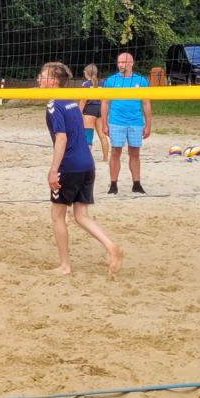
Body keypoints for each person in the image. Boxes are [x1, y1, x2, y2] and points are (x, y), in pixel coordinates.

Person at [40, 61, 122, 276]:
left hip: (69, 167)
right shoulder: (72, 101)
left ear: (53, 81)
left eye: (43, 75)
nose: (39, 78)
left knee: (57, 215)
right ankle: (111, 246)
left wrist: (53, 170)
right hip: (87, 164)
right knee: (81, 215)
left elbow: (61, 138)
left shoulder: (54, 105)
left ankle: (65, 266)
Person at [100, 51, 151, 194]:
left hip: (135, 122)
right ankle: (113, 185)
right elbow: (105, 103)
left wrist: (148, 125)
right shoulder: (110, 81)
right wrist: (104, 123)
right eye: (119, 62)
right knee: (115, 152)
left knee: (135, 153)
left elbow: (146, 103)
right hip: (116, 122)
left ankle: (136, 184)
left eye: (124, 62)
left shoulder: (141, 81)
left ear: (131, 63)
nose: (121, 65)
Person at [80, 63, 109, 162]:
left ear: (86, 73)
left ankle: (86, 159)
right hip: (100, 109)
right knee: (102, 135)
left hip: (90, 109)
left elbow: (83, 100)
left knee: (88, 135)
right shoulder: (103, 83)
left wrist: (79, 112)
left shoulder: (85, 84)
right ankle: (105, 158)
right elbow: (105, 100)